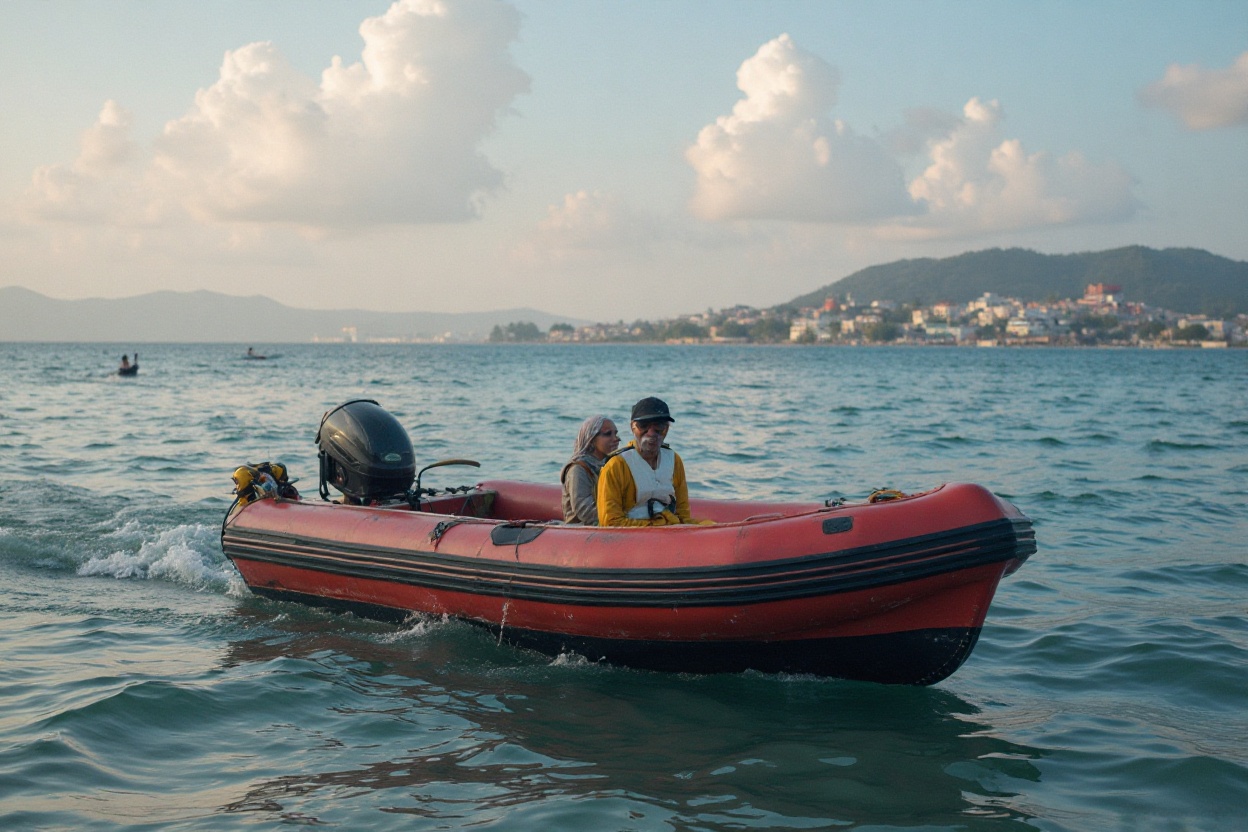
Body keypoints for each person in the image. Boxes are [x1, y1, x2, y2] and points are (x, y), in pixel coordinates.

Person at [597, 397, 711, 527]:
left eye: (659, 426)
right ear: (632, 427)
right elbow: (610, 522)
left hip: (670, 530)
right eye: (644, 426)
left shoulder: (674, 460)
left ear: (666, 429)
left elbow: (683, 514)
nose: (651, 433)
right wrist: (655, 525)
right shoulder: (616, 466)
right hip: (633, 534)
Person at [560, 415, 620, 524]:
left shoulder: (612, 465)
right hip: (582, 529)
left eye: (615, 434)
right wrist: (617, 519)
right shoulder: (578, 469)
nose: (616, 439)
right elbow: (584, 510)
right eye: (608, 434)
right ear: (591, 439)